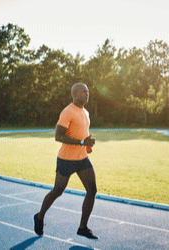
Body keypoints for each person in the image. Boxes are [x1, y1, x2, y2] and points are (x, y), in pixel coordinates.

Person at [34, 83, 98, 239]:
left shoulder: (86, 112)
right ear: (75, 94)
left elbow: (81, 134)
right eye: (84, 91)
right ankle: (40, 216)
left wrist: (86, 143)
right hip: (66, 160)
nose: (87, 94)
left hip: (82, 159)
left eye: (88, 91)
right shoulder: (68, 111)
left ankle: (82, 227)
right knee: (58, 191)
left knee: (92, 190)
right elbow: (58, 136)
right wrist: (82, 142)